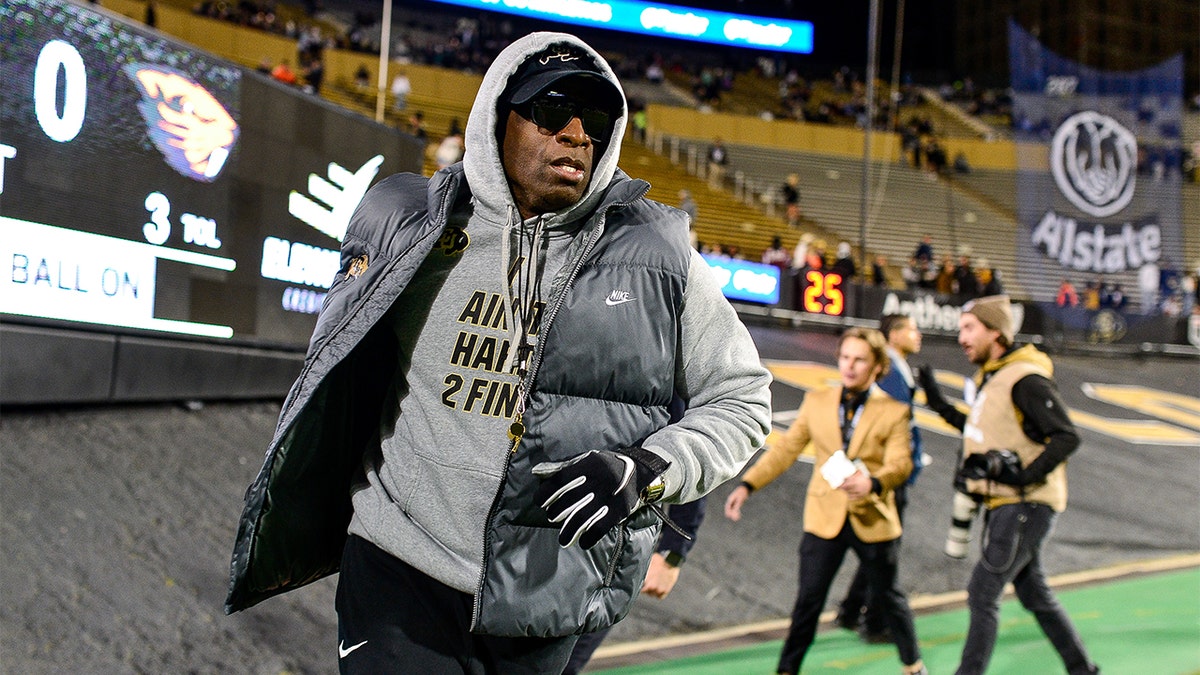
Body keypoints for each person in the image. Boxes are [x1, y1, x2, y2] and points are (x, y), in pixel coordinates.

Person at [224, 31, 773, 674]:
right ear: (496, 119)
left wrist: (650, 468)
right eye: (551, 111)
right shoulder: (409, 221)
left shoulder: (660, 256)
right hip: (397, 568)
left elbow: (743, 398)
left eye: (594, 118)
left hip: (547, 593)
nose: (576, 134)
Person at [725, 328, 926, 675]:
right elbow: (786, 449)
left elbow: (901, 463)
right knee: (808, 603)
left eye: (860, 359)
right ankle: (787, 670)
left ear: (877, 366)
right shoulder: (817, 402)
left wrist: (874, 481)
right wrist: (748, 484)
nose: (849, 366)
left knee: (890, 598)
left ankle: (913, 666)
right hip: (824, 517)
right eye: (845, 357)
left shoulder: (894, 411)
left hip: (872, 517)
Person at [917, 295, 1100, 675]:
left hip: (1025, 505)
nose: (961, 337)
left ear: (995, 332)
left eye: (969, 328)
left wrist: (1021, 478)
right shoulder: (997, 375)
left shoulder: (1025, 378)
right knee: (1035, 595)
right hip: (1009, 504)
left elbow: (1067, 437)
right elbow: (981, 431)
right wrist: (936, 401)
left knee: (982, 592)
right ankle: (1083, 670)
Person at [835, 314, 926, 642]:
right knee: (883, 549)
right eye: (912, 329)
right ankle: (874, 621)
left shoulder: (896, 368)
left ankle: (850, 609)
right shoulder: (888, 372)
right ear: (896, 334)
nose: (918, 335)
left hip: (877, 474)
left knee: (874, 545)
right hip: (883, 476)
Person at [561, 496, 706, 675]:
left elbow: (690, 472)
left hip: (608, 561)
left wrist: (672, 554)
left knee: (564, 665)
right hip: (537, 547)